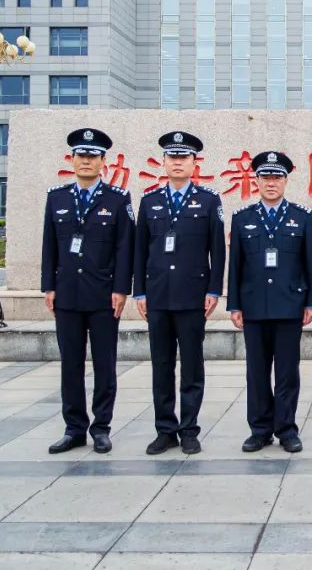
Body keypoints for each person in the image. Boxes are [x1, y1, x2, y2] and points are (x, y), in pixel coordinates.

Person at [41, 128, 134, 454]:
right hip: (67, 294)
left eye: (93, 156)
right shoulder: (57, 198)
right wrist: (48, 286)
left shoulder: (117, 199)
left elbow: (125, 247)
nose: (86, 161)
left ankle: (101, 427)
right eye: (81, 155)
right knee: (71, 364)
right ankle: (74, 428)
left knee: (105, 365)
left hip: (103, 295)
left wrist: (121, 288)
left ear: (103, 161)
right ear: (71, 159)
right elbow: (49, 246)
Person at [133, 131, 225, 456]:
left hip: (192, 296)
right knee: (161, 365)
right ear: (163, 162)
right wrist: (139, 292)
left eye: (183, 157)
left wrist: (214, 289)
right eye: (172, 157)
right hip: (157, 296)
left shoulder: (209, 201)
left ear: (194, 163)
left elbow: (217, 249)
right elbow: (140, 250)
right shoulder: (150, 201)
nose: (177, 162)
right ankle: (165, 430)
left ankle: (188, 430)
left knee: (191, 366)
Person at [228, 151, 312, 454]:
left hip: (289, 305)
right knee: (256, 372)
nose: (271, 182)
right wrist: (235, 305)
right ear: (256, 180)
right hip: (253, 307)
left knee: (287, 372)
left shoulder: (301, 217)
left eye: (276, 177)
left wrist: (311, 302)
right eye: (265, 177)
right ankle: (260, 430)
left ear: (286, 181)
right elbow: (236, 265)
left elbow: (309, 263)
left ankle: (287, 429)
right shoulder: (242, 218)